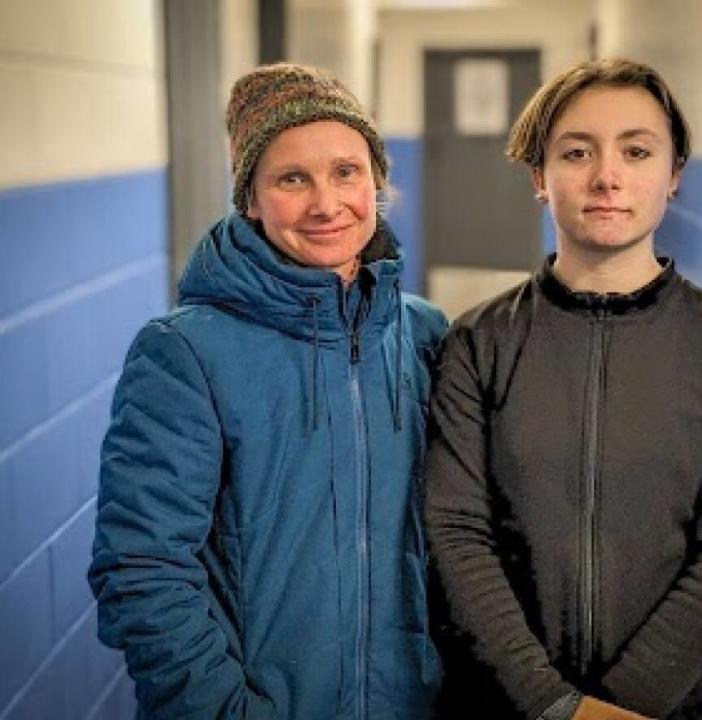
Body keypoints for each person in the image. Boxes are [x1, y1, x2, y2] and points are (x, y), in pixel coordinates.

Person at [88, 63, 446, 719]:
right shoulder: (186, 353)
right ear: (250, 199)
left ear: (377, 182)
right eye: (291, 179)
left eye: (346, 171)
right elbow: (142, 570)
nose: (326, 203)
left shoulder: (422, 333)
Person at [425, 57, 702, 720]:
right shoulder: (476, 343)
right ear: (539, 176)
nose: (607, 177)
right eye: (577, 152)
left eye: (637, 151)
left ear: (673, 176)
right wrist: (555, 705)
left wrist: (617, 708)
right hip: (504, 704)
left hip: (664, 708)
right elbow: (457, 532)